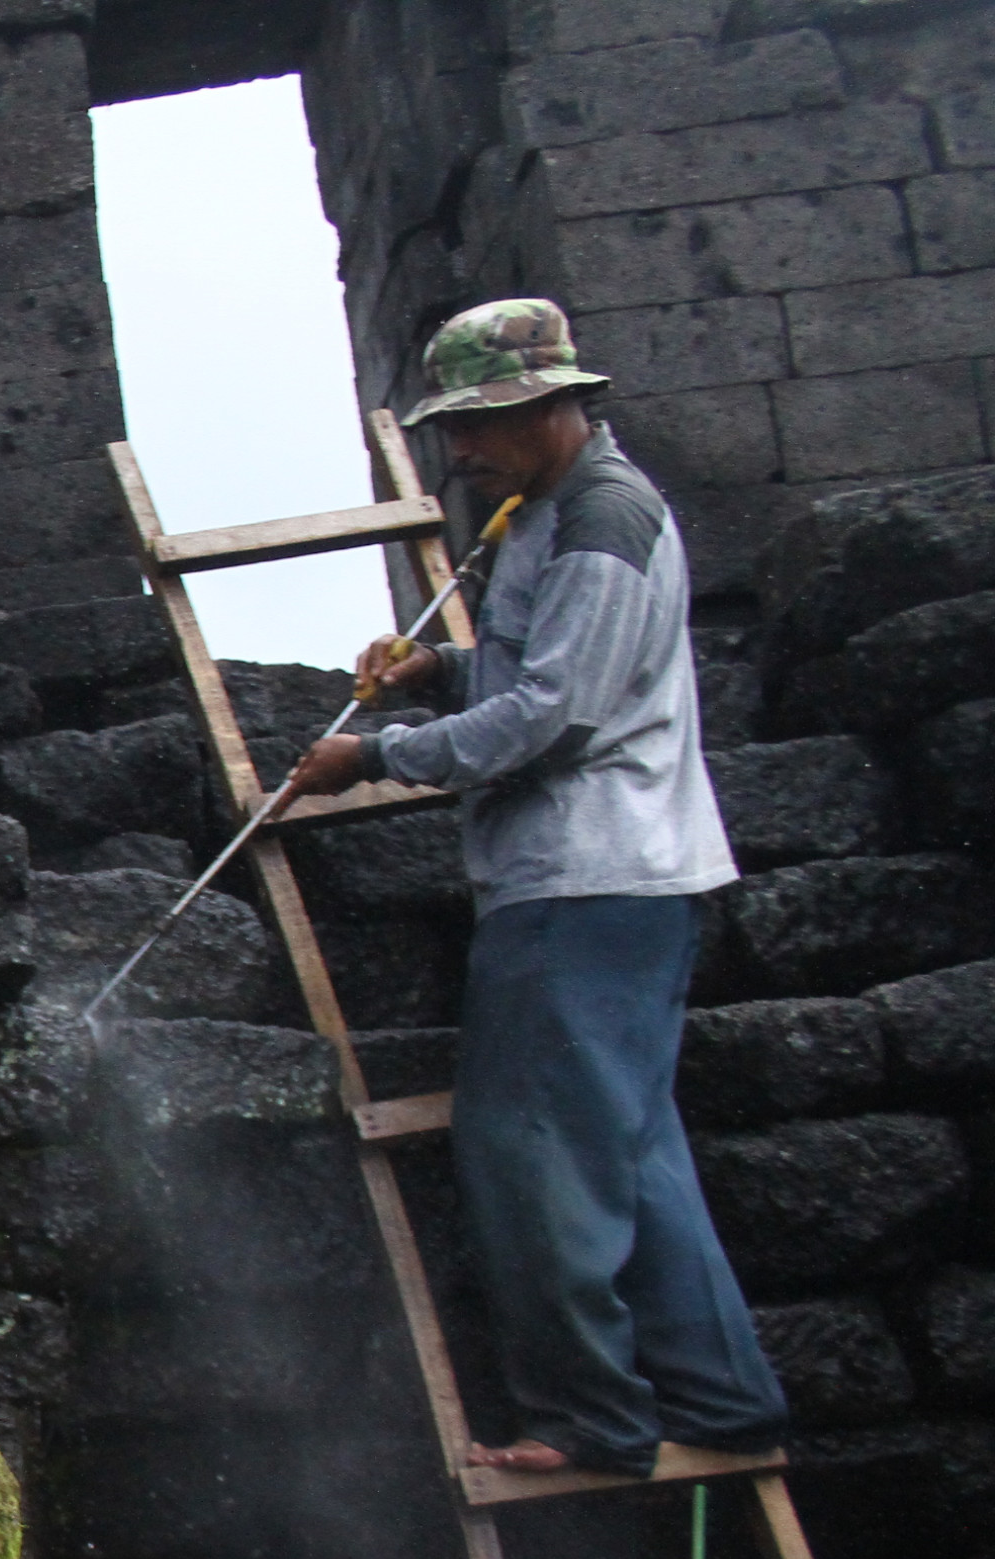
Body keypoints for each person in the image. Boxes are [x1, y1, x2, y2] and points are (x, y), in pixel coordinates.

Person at [292, 297, 787, 1479]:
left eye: (479, 424)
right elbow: (534, 666)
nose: (460, 449)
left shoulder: (605, 522)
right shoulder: (549, 517)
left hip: (588, 880)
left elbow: (560, 715)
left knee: (529, 1150)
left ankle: (590, 1418)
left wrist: (378, 757)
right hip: (598, 880)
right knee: (629, 1152)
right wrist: (436, 669)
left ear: (553, 405)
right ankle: (722, 1400)